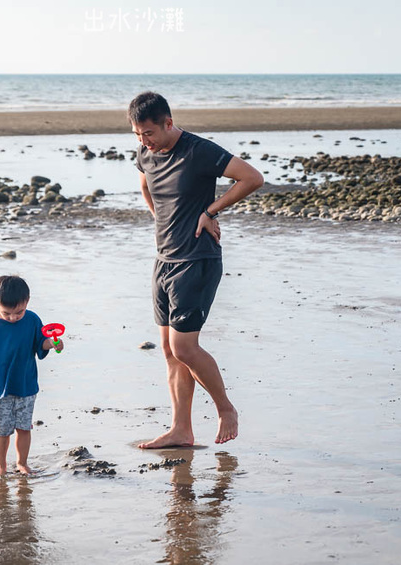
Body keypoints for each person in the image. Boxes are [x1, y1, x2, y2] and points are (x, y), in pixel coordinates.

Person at [129, 91, 264, 449]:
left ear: (168, 123)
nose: (144, 142)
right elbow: (145, 183)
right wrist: (161, 218)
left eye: (149, 134)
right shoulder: (145, 152)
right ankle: (181, 430)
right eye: (137, 135)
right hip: (163, 261)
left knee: (185, 347)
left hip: (197, 260)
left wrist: (211, 211)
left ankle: (226, 409)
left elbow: (252, 177)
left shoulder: (198, 150)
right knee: (169, 351)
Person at [0, 275, 63, 476]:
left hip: (26, 385)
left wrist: (53, 344)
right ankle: (0, 465)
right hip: (0, 387)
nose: (13, 317)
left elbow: (41, 343)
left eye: (19, 312)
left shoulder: (33, 320)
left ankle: (22, 463)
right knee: (2, 431)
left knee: (24, 428)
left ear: (27, 301)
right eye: (7, 313)